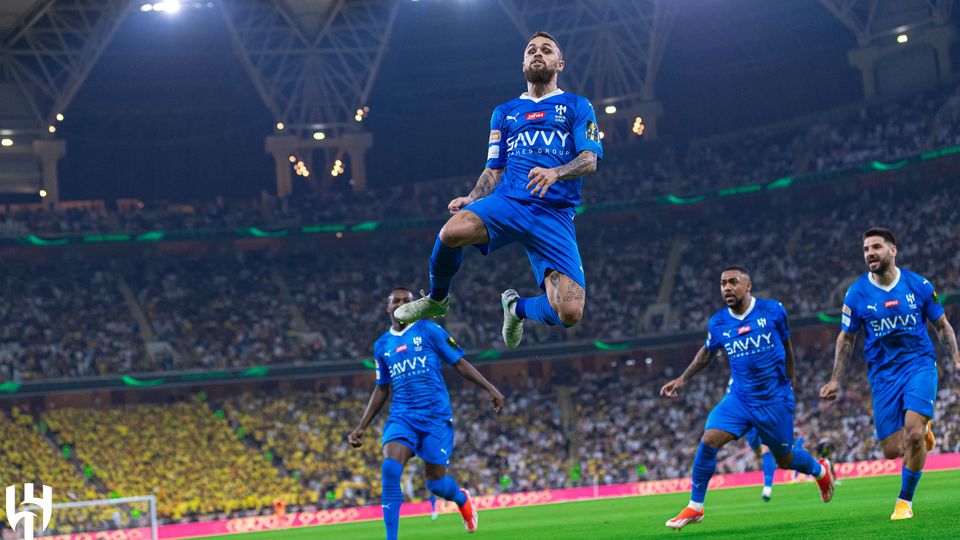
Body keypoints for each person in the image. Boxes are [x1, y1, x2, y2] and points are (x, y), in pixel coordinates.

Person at [394, 31, 602, 349]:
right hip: (508, 202)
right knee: (451, 232)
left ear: (559, 63)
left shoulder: (577, 106)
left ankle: (515, 308)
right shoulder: (504, 113)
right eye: (531, 49)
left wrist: (555, 173)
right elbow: (494, 167)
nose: (537, 53)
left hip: (554, 214)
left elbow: (589, 159)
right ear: (522, 62)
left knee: (571, 312)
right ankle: (437, 301)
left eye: (546, 50)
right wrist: (473, 197)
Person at [661, 266, 835, 530]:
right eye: (722, 283)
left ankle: (820, 470)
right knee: (708, 440)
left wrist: (790, 385)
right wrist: (683, 379)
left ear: (748, 285)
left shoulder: (773, 310)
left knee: (785, 460)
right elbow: (707, 352)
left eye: (733, 282)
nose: (727, 288)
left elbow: (787, 348)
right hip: (739, 398)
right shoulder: (718, 322)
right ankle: (696, 506)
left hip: (774, 400)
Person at [819, 227, 960, 520]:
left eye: (876, 247)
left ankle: (904, 502)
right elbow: (846, 338)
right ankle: (924, 428)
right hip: (883, 375)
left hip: (919, 364)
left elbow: (942, 326)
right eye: (866, 249)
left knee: (913, 433)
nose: (870, 253)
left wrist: (956, 359)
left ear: (892, 250)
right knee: (892, 450)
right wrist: (835, 378)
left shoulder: (918, 285)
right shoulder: (856, 292)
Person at [349, 288, 506, 538]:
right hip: (402, 416)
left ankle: (461, 499)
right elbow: (381, 389)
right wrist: (361, 427)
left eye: (407, 301)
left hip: (435, 418)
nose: (401, 304)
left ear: (416, 306)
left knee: (436, 484)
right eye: (396, 301)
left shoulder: (429, 331)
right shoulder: (382, 345)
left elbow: (460, 363)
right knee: (390, 470)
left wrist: (490, 388)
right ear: (387, 307)